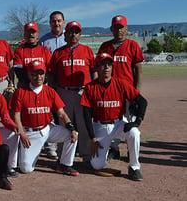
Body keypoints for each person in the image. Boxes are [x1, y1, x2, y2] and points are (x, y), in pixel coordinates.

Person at [80, 53, 147, 181]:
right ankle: (107, 151)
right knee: (97, 165)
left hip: (119, 124)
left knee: (134, 133)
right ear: (96, 68)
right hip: (100, 126)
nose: (106, 67)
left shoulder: (120, 84)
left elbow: (142, 102)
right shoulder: (90, 88)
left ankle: (134, 167)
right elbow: (86, 114)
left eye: (109, 64)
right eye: (102, 64)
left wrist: (137, 121)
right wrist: (92, 139)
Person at [9, 60, 79, 175]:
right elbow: (16, 115)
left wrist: (71, 128)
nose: (38, 77)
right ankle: (22, 150)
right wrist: (22, 134)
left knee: (72, 134)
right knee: (26, 169)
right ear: (29, 75)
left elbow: (61, 113)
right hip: (30, 132)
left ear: (45, 74)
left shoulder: (50, 91)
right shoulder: (21, 92)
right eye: (35, 74)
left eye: (41, 73)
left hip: (47, 129)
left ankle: (65, 165)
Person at [97, 15, 145, 159]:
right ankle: (114, 148)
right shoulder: (105, 46)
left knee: (130, 120)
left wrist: (136, 91)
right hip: (109, 91)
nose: (119, 30)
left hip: (127, 90)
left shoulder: (132, 45)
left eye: (121, 27)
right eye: (116, 27)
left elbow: (138, 70)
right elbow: (98, 68)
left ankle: (132, 150)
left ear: (126, 29)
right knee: (113, 120)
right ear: (111, 29)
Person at [48, 21, 96, 162]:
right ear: (65, 35)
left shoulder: (87, 50)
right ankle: (63, 155)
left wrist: (92, 90)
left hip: (83, 92)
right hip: (64, 91)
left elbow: (94, 72)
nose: (73, 34)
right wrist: (53, 93)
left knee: (84, 124)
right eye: (70, 31)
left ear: (80, 34)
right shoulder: (58, 53)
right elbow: (51, 75)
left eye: (76, 32)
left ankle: (86, 155)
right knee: (65, 125)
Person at [38, 11, 67, 159]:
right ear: (50, 23)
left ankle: (65, 144)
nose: (56, 23)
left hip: (64, 83)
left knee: (62, 114)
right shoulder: (43, 41)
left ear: (63, 22)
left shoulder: (68, 39)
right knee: (48, 115)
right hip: (47, 83)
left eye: (59, 21)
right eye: (53, 21)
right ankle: (49, 146)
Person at [12, 22, 52, 87]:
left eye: (33, 32)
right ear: (24, 34)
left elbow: (49, 68)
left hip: (41, 84)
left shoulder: (44, 50)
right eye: (28, 32)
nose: (31, 34)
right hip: (25, 84)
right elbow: (18, 70)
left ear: (37, 34)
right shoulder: (19, 50)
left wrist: (42, 79)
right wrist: (33, 80)